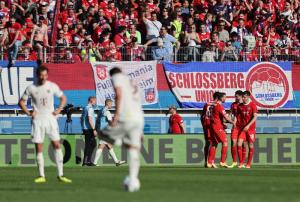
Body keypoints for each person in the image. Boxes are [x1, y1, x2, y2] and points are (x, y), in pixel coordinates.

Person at [18, 65, 71, 183]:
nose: (43, 77)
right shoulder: (31, 88)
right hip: (38, 120)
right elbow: (21, 102)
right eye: (41, 75)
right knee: (39, 147)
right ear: (37, 75)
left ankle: (61, 174)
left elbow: (63, 98)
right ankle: (41, 175)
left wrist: (59, 109)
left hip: (50, 119)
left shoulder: (52, 86)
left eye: (45, 75)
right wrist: (28, 113)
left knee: (57, 145)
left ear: (47, 75)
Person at [100, 67, 144, 192]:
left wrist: (117, 115)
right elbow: (138, 103)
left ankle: (120, 142)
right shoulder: (132, 82)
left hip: (126, 117)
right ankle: (133, 179)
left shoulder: (117, 77)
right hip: (138, 119)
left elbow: (118, 94)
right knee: (134, 150)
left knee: (103, 134)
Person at [93, 99, 126, 166]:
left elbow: (97, 120)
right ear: (108, 104)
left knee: (108, 145)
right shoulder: (107, 112)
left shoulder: (101, 110)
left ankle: (117, 162)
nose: (112, 105)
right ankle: (94, 163)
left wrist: (96, 129)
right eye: (111, 104)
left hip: (101, 130)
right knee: (102, 146)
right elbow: (110, 121)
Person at [207, 92, 235, 168]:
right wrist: (233, 122)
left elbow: (217, 116)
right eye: (224, 97)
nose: (225, 98)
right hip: (217, 126)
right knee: (225, 142)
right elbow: (226, 117)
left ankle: (209, 162)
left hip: (213, 125)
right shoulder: (219, 106)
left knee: (214, 143)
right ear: (221, 98)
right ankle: (222, 161)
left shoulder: (213, 105)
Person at [237, 91, 258, 168]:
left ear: (249, 97)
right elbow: (237, 116)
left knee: (250, 145)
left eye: (245, 97)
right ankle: (241, 163)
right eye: (242, 97)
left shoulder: (253, 105)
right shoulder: (240, 106)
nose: (243, 98)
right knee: (239, 144)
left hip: (251, 129)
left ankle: (248, 164)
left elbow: (255, 116)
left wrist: (248, 125)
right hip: (243, 129)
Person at [201, 92, 219, 167]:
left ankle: (207, 161)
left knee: (208, 142)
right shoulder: (217, 105)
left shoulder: (206, 104)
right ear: (218, 98)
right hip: (213, 125)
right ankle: (211, 161)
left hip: (206, 125)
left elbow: (202, 116)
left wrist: (203, 124)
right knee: (214, 142)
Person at [228, 90, 244, 168]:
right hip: (235, 127)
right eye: (235, 96)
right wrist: (230, 120)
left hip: (243, 127)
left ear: (241, 96)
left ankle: (242, 162)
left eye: (237, 96)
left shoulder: (244, 104)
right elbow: (231, 114)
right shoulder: (233, 105)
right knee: (233, 143)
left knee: (243, 144)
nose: (235, 97)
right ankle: (234, 161)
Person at [81, 96, 97, 166]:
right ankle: (87, 161)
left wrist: (83, 126)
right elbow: (90, 119)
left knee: (90, 144)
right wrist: (94, 129)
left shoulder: (85, 107)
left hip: (86, 128)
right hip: (89, 129)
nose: (95, 102)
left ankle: (86, 161)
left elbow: (81, 118)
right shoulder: (90, 108)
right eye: (95, 101)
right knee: (91, 144)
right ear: (91, 101)